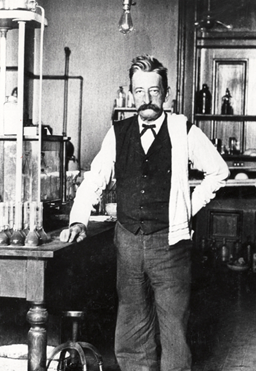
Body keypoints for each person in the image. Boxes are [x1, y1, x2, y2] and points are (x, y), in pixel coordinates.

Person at [60, 54, 229, 370]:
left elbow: (218, 171)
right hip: (128, 241)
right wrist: (79, 219)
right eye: (140, 91)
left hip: (170, 243)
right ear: (132, 93)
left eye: (154, 91)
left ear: (165, 93)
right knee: (132, 321)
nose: (147, 98)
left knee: (174, 327)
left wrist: (188, 207)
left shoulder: (183, 129)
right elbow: (95, 179)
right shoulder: (118, 133)